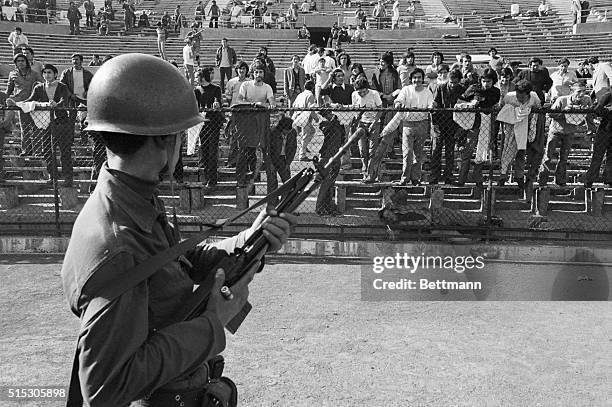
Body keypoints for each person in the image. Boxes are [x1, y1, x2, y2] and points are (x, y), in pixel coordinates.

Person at [60, 53, 296, 406]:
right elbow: (105, 387)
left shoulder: (133, 200)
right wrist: (213, 321)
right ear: (161, 139)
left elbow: (179, 261)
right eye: (179, 135)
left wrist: (252, 239)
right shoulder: (118, 242)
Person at [366, 68, 434, 185]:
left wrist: (431, 107)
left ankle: (415, 178)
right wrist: (398, 104)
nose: (417, 80)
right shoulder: (406, 90)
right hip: (408, 124)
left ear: (422, 79)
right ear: (411, 79)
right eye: (414, 78)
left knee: (418, 154)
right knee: (407, 153)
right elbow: (398, 100)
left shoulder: (427, 92)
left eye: (419, 77)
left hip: (422, 123)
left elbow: (431, 104)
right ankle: (405, 178)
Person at [22, 64, 73, 186]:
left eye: (49, 72)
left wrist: (57, 104)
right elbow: (30, 100)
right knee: (48, 151)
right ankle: (53, 176)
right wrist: (16, 102)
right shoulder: (39, 87)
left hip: (61, 121)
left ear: (55, 74)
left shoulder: (62, 86)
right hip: (46, 123)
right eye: (44, 73)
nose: (47, 75)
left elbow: (64, 100)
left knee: (64, 150)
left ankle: (67, 177)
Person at [538, 82, 592, 186]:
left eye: (584, 91)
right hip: (556, 131)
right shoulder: (562, 100)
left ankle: (560, 180)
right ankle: (542, 179)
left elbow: (589, 115)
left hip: (570, 132)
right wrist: (563, 112)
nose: (582, 94)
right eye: (579, 91)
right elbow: (550, 113)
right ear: (572, 91)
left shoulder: (586, 100)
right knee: (548, 156)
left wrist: (589, 126)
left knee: (564, 158)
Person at [456, 68, 501, 187]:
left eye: (489, 81)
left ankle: (477, 177)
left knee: (483, 149)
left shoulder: (495, 91)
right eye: (484, 81)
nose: (486, 84)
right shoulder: (473, 88)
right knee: (468, 149)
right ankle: (462, 178)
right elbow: (461, 98)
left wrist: (481, 99)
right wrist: (471, 101)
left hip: (487, 120)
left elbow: (491, 101)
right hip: (473, 122)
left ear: (493, 81)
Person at [236, 61, 275, 186]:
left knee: (263, 147)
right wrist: (252, 104)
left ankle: (258, 175)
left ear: (264, 73)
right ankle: (242, 178)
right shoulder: (246, 85)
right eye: (256, 72)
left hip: (261, 121)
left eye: (261, 72)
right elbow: (239, 100)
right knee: (245, 149)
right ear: (252, 73)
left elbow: (272, 104)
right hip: (247, 121)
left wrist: (262, 104)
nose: (258, 74)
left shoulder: (267, 87)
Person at [497, 79, 541, 190]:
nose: (519, 98)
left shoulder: (534, 98)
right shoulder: (509, 97)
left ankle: (519, 177)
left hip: (525, 127)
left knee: (521, 153)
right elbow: (502, 107)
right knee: (506, 150)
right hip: (510, 127)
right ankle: (503, 175)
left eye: (522, 97)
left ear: (528, 94)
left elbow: (538, 108)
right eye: (518, 96)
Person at [429, 69, 465, 184]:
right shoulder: (441, 88)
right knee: (436, 150)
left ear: (459, 81)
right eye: (451, 82)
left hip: (453, 124)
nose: (453, 84)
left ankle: (448, 175)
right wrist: (435, 124)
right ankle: (434, 176)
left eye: (455, 82)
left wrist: (460, 126)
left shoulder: (462, 90)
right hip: (440, 122)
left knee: (450, 151)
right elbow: (435, 105)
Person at [5, 53, 43, 156]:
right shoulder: (12, 74)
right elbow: (9, 89)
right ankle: (26, 150)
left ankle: (38, 151)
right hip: (20, 104)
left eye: (22, 60)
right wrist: (4, 99)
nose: (20, 63)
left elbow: (43, 84)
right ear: (15, 63)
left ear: (26, 62)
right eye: (18, 61)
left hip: (33, 103)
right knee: (24, 128)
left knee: (36, 128)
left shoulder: (34, 73)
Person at [195, 67, 223, 186]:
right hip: (202, 124)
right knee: (205, 150)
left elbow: (218, 102)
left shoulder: (216, 89)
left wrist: (217, 104)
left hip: (213, 123)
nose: (196, 79)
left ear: (203, 77)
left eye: (198, 76)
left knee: (212, 151)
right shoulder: (196, 90)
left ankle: (212, 178)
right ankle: (206, 176)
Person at [352, 77, 383, 177]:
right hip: (362, 122)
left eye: (364, 92)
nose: (362, 94)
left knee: (372, 149)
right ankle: (364, 169)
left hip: (374, 122)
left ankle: (371, 172)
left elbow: (380, 109)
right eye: (359, 92)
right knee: (362, 148)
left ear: (367, 89)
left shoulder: (374, 94)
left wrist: (374, 123)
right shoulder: (354, 95)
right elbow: (355, 109)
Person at [59, 53, 94, 143]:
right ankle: (70, 140)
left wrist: (88, 91)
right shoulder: (67, 72)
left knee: (84, 121)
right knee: (70, 120)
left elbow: (93, 83)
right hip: (71, 99)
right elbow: (62, 85)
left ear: (81, 61)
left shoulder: (87, 73)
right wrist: (70, 94)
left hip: (83, 99)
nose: (74, 61)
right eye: (73, 59)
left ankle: (84, 140)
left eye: (77, 59)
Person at [315, 109, 343, 215]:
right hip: (326, 156)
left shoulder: (337, 123)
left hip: (336, 155)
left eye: (329, 113)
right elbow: (326, 130)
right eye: (326, 114)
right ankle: (319, 208)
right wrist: (333, 120)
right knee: (325, 184)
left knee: (331, 183)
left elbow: (342, 135)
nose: (329, 116)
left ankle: (328, 207)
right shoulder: (323, 124)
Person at [583, 87, 612, 188]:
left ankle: (609, 179)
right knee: (598, 155)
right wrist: (607, 111)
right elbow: (597, 110)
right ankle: (589, 179)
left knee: (610, 157)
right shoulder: (608, 95)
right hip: (605, 129)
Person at [291, 80, 317, 161]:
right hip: (304, 117)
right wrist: (316, 118)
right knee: (307, 134)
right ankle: (302, 154)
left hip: (296, 116)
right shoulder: (310, 95)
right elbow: (311, 108)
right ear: (313, 88)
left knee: (305, 133)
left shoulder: (300, 94)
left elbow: (293, 105)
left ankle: (303, 147)